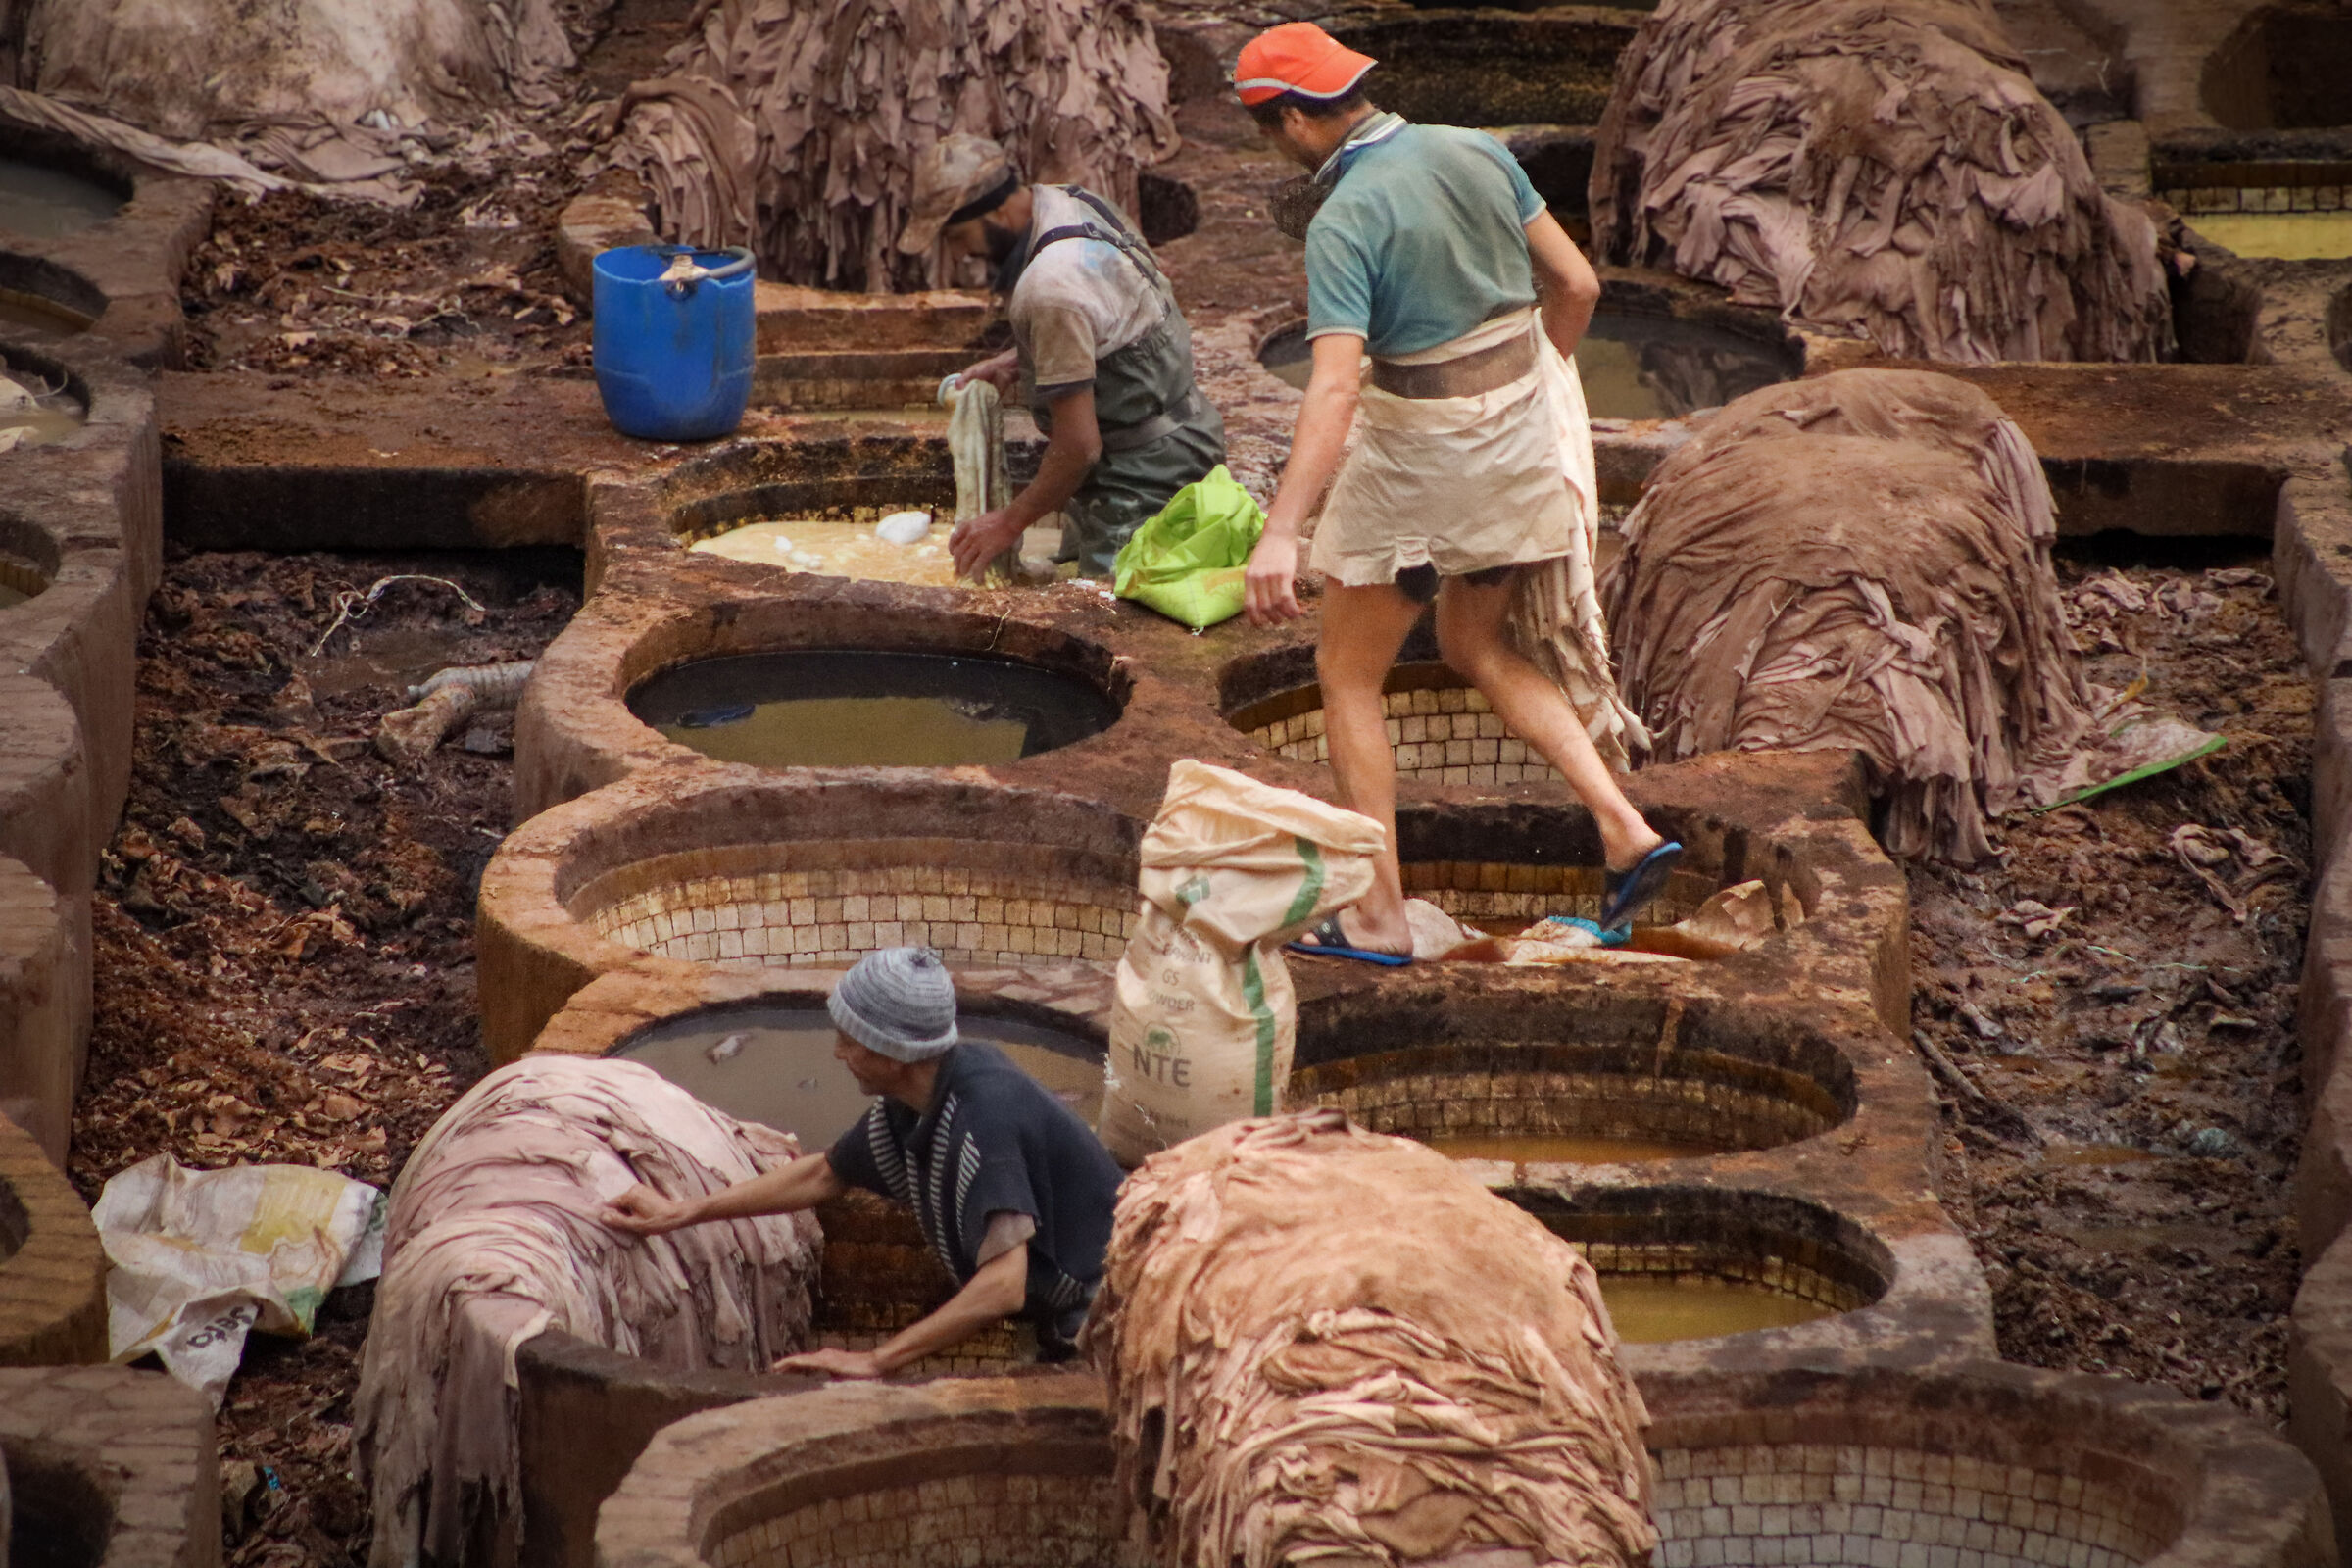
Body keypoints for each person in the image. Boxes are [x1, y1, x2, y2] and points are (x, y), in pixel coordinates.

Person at [1233, 23, 1681, 962]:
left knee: (1349, 678)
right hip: (1519, 446)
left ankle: (1381, 919)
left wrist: (1282, 532)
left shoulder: (1345, 218)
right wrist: (1531, 386)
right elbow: (1579, 285)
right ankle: (1620, 823)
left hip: (1418, 463)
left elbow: (1338, 386)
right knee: (1472, 643)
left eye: (1267, 131)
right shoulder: (1478, 153)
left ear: (1290, 120)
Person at [601, 947, 1124, 1376]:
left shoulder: (982, 1121)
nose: (837, 1054)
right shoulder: (918, 1100)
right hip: (1066, 1315)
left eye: (849, 1041)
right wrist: (681, 1212)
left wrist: (876, 1359)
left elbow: (1002, 1286)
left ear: (892, 1053)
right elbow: (824, 1172)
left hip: (1114, 1315)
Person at [897, 133, 1227, 580]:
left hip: (1143, 478)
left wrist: (1008, 522)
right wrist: (1019, 359)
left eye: (958, 235)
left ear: (996, 209)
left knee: (1113, 617)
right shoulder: (1072, 203)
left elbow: (1078, 447)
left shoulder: (1050, 287)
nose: (959, 254)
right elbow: (1114, 314)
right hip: (1185, 430)